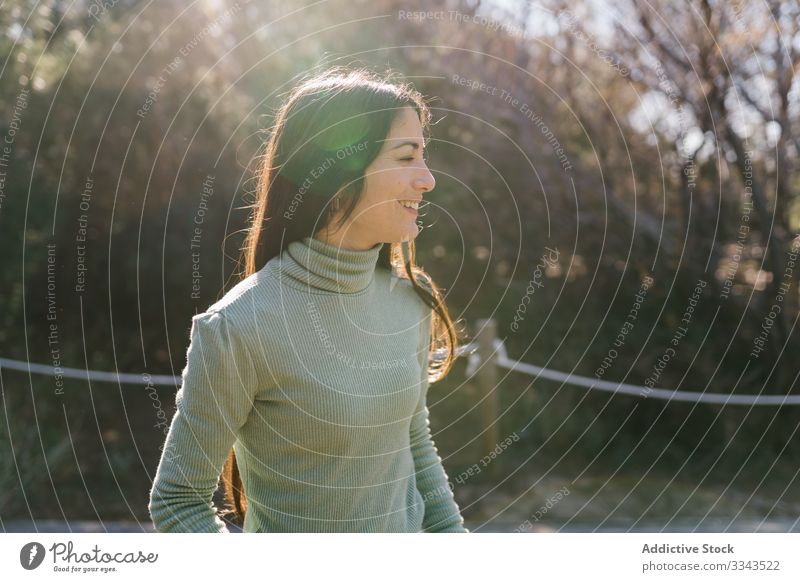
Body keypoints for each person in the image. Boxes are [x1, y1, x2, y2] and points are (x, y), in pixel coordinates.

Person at [148, 66, 468, 533]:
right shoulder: (238, 327)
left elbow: (414, 445)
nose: (427, 180)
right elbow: (178, 501)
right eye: (406, 157)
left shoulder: (409, 303)